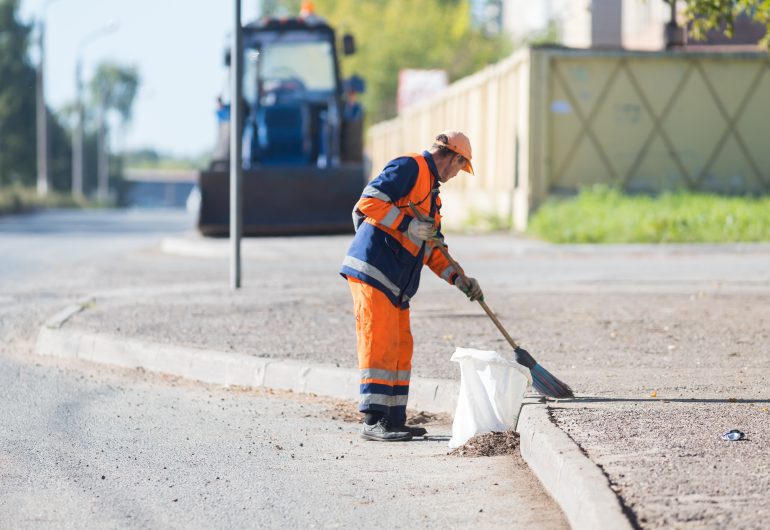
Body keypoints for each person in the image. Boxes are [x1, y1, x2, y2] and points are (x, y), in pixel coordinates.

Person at [340, 131, 483, 442]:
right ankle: (373, 419)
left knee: (400, 346)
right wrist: (407, 225)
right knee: (379, 341)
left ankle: (392, 418)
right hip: (374, 269)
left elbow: (434, 250)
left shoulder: (432, 197)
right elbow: (368, 202)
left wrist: (460, 279)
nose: (458, 174)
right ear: (454, 157)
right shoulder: (410, 167)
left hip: (397, 283)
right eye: (461, 166)